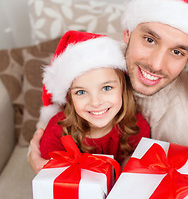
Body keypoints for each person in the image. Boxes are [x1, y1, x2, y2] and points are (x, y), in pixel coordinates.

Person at [28, 0, 188, 173]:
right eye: (150, 40)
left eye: (177, 52)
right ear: (127, 34)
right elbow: (53, 115)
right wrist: (41, 156)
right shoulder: (95, 56)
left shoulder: (187, 126)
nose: (156, 64)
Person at [39, 30, 150, 166]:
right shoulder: (56, 133)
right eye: (81, 92)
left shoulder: (136, 127)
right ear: (69, 99)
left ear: (123, 89)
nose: (96, 102)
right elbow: (52, 181)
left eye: (107, 88)